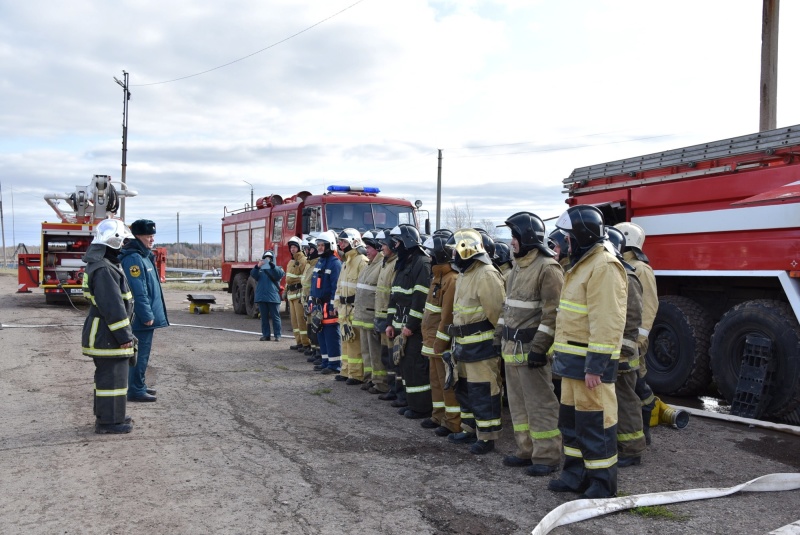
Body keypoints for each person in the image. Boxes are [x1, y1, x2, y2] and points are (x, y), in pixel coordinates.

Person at [547, 205, 627, 500]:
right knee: (572, 423)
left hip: (589, 367)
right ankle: (575, 474)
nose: (565, 242)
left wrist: (596, 365)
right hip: (572, 364)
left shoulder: (604, 265)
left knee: (596, 423)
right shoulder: (582, 264)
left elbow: (607, 320)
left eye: (568, 236)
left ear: (581, 235)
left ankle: (601, 484)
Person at [496, 212, 563, 475]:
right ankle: (526, 450)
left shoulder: (548, 268)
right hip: (511, 351)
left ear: (526, 237)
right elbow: (506, 308)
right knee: (518, 405)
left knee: (540, 404)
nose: (511, 242)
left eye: (514, 236)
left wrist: (539, 348)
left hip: (531, 352)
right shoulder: (516, 269)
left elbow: (553, 314)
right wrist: (496, 337)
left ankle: (546, 456)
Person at [447, 228, 506, 455]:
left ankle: (487, 436)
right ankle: (470, 428)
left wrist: (496, 344)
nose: (452, 256)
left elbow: (497, 313)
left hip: (482, 347)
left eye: (455, 251)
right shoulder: (465, 273)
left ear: (467, 250)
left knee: (484, 391)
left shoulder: (486, 274)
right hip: (463, 345)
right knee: (465, 390)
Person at [82, 219, 137, 433]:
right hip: (108, 335)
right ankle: (109, 422)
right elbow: (113, 307)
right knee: (112, 380)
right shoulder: (104, 269)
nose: (123, 246)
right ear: (113, 242)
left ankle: (111, 415)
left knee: (109, 380)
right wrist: (125, 337)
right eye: (122, 242)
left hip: (105, 333)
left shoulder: (102, 264)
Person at [614, 222, 658, 445]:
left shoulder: (640, 269)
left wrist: (639, 340)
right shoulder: (625, 265)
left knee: (635, 385)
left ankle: (640, 434)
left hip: (633, 341)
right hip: (625, 339)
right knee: (631, 385)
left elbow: (648, 307)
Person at [607, 226, 646, 467]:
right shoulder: (614, 273)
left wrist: (621, 353)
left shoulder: (628, 277)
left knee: (625, 400)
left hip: (622, 355)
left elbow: (632, 319)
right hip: (612, 352)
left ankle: (632, 450)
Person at [385, 224, 433, 419]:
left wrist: (411, 326)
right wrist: (390, 322)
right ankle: (410, 402)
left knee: (415, 368)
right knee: (404, 366)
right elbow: (394, 296)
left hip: (412, 329)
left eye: (398, 241)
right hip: (399, 326)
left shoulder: (422, 263)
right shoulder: (403, 263)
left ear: (408, 242)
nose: (395, 245)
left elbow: (420, 299)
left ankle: (421, 408)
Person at [120, 219, 169, 403]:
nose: (152, 239)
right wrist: (147, 315)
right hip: (141, 318)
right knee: (139, 355)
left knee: (142, 354)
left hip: (146, 317)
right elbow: (139, 290)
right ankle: (135, 389)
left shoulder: (143, 256)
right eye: (149, 236)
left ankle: (138, 384)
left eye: (153, 235)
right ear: (138, 236)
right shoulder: (134, 258)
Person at [420, 229, 460, 437]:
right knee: (435, 381)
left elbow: (447, 316)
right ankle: (438, 416)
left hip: (440, 342)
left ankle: (452, 422)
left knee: (447, 383)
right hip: (431, 339)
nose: (429, 257)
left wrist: (440, 342)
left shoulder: (450, 279)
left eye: (432, 253)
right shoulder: (437, 277)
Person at [352, 230, 386, 392]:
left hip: (372, 316)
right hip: (363, 316)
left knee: (375, 353)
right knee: (366, 351)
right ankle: (370, 378)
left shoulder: (381, 265)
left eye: (369, 248)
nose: (367, 251)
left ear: (378, 248)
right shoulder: (369, 266)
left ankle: (380, 382)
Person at [335, 228, 368, 384]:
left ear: (354, 242)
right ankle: (346, 370)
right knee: (346, 340)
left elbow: (364, 289)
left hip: (354, 308)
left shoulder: (361, 261)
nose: (341, 244)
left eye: (344, 241)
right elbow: (340, 286)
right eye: (340, 241)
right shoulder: (346, 262)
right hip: (344, 309)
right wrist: (337, 304)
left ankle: (356, 374)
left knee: (355, 342)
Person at [309, 230, 343, 375]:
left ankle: (334, 364)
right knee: (321, 334)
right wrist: (311, 301)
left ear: (330, 245)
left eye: (323, 245)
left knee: (331, 335)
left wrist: (331, 304)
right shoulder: (320, 262)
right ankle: (325, 362)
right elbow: (313, 284)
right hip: (318, 306)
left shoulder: (335, 264)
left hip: (327, 306)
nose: (320, 247)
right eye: (319, 244)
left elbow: (336, 286)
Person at [374, 229, 401, 399]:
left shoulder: (395, 264)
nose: (382, 248)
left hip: (389, 317)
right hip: (381, 315)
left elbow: (393, 295)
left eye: (384, 244)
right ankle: (390, 388)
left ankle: (394, 389)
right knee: (386, 355)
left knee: (392, 357)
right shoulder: (386, 263)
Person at [250, 250, 285, 342]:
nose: (267, 260)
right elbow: (253, 275)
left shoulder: (277, 268)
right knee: (264, 318)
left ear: (273, 259)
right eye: (265, 258)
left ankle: (278, 335)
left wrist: (272, 266)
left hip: (273, 297)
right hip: (262, 297)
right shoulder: (260, 269)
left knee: (275, 317)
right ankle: (266, 335)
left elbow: (280, 275)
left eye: (269, 258)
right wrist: (257, 266)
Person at [285, 236, 310, 353]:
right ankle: (299, 342)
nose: (292, 249)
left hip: (299, 295)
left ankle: (306, 343)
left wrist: (292, 281)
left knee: (301, 320)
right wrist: (285, 291)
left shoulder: (303, 260)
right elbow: (287, 278)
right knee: (294, 322)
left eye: (294, 247)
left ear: (299, 248)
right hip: (291, 295)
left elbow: (304, 278)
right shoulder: (291, 262)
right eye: (291, 247)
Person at [302, 235, 322, 362]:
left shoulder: (317, 265)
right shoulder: (310, 265)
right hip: (308, 301)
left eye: (310, 249)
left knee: (316, 328)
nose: (308, 252)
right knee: (310, 328)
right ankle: (314, 350)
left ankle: (318, 352)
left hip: (314, 302)